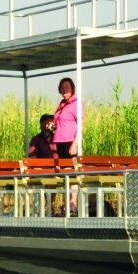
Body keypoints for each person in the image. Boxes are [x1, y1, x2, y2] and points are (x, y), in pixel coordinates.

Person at [52, 78, 80, 215]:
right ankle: (65, 205)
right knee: (64, 173)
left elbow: (80, 125)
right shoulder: (61, 104)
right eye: (62, 87)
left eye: (67, 87)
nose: (64, 90)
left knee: (72, 173)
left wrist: (75, 143)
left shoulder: (76, 103)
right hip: (59, 141)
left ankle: (73, 204)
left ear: (72, 89)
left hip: (70, 141)